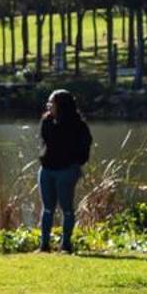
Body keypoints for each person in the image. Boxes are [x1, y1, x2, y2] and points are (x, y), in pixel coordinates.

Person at [36, 89, 93, 253]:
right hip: (47, 169)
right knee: (47, 209)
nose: (48, 107)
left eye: (51, 103)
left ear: (61, 105)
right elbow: (45, 142)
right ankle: (44, 245)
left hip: (67, 170)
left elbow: (85, 146)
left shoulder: (78, 126)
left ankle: (66, 245)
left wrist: (76, 163)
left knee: (66, 209)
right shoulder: (47, 122)